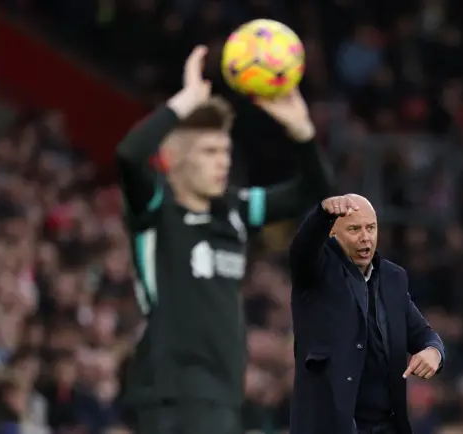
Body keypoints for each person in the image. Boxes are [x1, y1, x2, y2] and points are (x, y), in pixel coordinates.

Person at [116, 46, 333, 434]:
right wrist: (184, 103)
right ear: (172, 158)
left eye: (226, 152)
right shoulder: (156, 209)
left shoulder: (233, 209)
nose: (223, 162)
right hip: (173, 390)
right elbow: (130, 155)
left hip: (223, 393)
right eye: (209, 152)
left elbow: (313, 191)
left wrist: (303, 135)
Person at [288, 194, 444, 434]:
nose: (365, 237)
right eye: (354, 229)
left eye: (371, 228)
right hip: (330, 425)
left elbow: (422, 334)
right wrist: (321, 216)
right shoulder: (316, 271)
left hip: (386, 425)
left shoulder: (393, 278)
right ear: (332, 234)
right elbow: (303, 249)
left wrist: (434, 352)